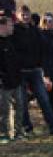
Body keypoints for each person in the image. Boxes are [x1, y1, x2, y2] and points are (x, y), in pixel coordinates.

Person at [14, 5, 53, 135]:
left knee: (44, 99)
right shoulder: (14, 31)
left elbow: (42, 49)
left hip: (36, 70)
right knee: (22, 102)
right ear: (18, 16)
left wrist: (43, 69)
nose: (26, 17)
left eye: (27, 14)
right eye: (23, 15)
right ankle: (27, 127)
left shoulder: (35, 30)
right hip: (21, 71)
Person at [0, 13, 24, 143]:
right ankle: (4, 134)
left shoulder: (11, 41)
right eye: (10, 25)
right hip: (4, 83)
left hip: (16, 81)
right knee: (4, 110)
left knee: (20, 106)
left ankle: (18, 132)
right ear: (2, 26)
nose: (12, 27)